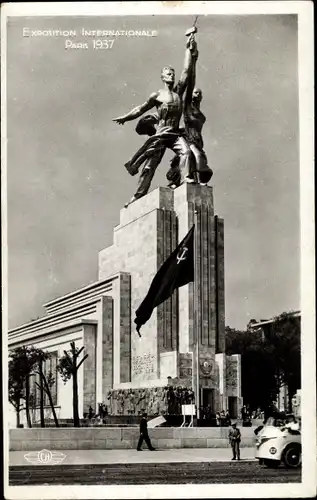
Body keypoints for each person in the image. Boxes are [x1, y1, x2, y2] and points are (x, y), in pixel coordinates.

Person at [113, 35, 198, 207]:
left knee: (186, 153)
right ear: (162, 77)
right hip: (160, 134)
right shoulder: (157, 95)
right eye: (168, 73)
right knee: (148, 167)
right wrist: (125, 117)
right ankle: (138, 195)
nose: (171, 75)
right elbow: (140, 109)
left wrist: (188, 48)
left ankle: (187, 180)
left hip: (174, 134)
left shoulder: (178, 92)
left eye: (172, 73)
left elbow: (187, 71)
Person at [166, 33, 213, 188]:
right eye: (195, 92)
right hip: (189, 139)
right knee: (196, 159)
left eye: (200, 92)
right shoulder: (187, 107)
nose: (197, 94)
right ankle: (180, 180)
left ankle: (188, 183)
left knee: (194, 163)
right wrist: (193, 56)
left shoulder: (201, 114)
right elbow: (190, 78)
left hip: (198, 141)